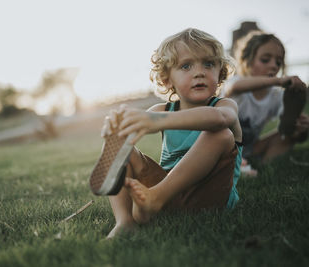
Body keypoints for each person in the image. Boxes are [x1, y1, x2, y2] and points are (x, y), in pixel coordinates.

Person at [92, 28, 243, 238]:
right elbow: (133, 127)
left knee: (221, 134)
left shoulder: (224, 106)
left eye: (208, 64)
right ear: (167, 80)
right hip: (167, 191)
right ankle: (125, 221)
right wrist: (118, 127)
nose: (199, 72)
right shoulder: (161, 111)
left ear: (220, 74)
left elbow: (221, 120)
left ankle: (155, 199)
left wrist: (156, 121)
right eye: (186, 66)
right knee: (121, 145)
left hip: (210, 196)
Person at [221, 31, 308, 176]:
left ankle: (264, 165)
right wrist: (279, 81)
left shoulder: (275, 96)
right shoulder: (236, 83)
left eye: (278, 62)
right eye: (265, 60)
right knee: (219, 149)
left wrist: (301, 129)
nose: (274, 66)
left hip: (250, 148)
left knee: (288, 133)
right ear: (247, 60)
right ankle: (236, 164)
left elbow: (289, 129)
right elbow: (233, 88)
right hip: (221, 147)